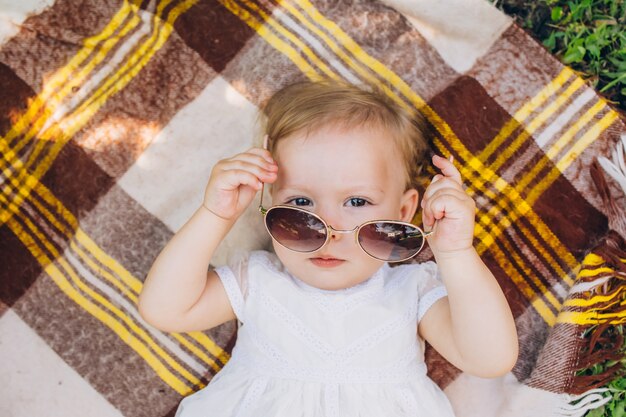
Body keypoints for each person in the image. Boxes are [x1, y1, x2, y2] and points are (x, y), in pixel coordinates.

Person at [138, 80, 519, 417]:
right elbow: (165, 309)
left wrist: (455, 253)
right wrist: (216, 215)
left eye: (356, 202)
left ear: (404, 212)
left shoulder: (410, 289)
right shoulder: (258, 280)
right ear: (271, 202)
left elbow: (490, 358)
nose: (328, 229)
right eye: (302, 203)